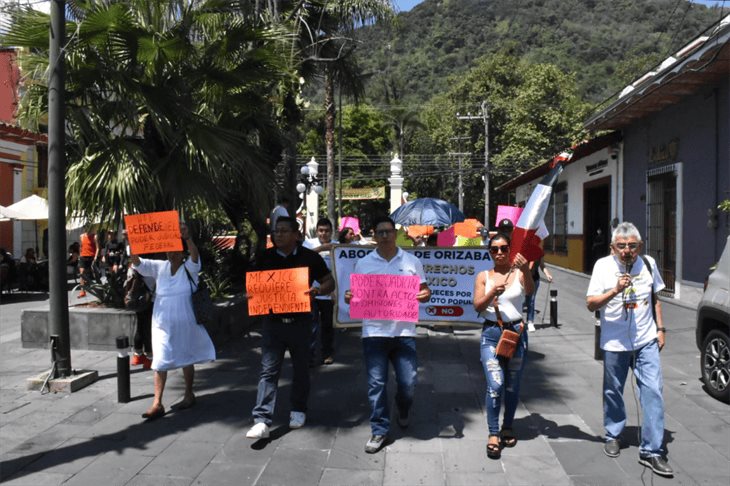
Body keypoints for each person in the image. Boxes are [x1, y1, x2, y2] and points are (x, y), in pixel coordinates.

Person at [586, 222, 672, 477]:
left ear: (639, 247)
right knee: (613, 390)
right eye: (621, 246)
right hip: (614, 341)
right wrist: (615, 290)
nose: (627, 251)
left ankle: (652, 451)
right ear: (613, 248)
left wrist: (661, 329)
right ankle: (613, 433)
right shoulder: (602, 266)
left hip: (646, 339)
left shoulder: (647, 264)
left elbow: (655, 297)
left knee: (653, 392)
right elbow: (591, 304)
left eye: (632, 246)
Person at [344, 216, 431, 454]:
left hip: (404, 332)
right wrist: (350, 298)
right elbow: (354, 296)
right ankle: (379, 429)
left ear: (396, 234)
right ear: (374, 235)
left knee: (408, 383)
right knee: (376, 384)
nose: (384, 236)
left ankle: (403, 407)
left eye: (388, 232)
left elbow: (425, 290)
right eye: (380, 232)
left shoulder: (412, 261)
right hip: (374, 332)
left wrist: (425, 294)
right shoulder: (364, 263)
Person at [245, 216, 334, 440]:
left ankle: (298, 409)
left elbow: (329, 281)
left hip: (301, 323)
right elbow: (253, 284)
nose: (279, 235)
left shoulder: (310, 257)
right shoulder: (264, 257)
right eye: (276, 231)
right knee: (268, 370)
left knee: (301, 368)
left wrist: (319, 291)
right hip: (273, 324)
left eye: (284, 231)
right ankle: (262, 419)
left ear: (296, 234)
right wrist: (251, 294)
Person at [130, 223, 215, 420]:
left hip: (186, 324)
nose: (171, 254)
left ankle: (188, 394)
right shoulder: (160, 268)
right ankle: (157, 402)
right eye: (168, 250)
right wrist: (133, 242)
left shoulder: (189, 269)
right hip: (162, 324)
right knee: (159, 360)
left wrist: (187, 238)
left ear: (181, 250)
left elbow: (195, 255)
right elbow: (138, 263)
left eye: (175, 250)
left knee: (187, 356)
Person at [472, 232, 533, 459]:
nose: (499, 253)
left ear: (510, 250)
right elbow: (478, 306)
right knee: (495, 384)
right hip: (491, 334)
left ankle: (508, 426)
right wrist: (491, 293)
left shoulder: (518, 273)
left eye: (503, 248)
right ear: (489, 252)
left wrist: (526, 269)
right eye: (494, 249)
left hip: (516, 334)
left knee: (512, 386)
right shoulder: (483, 276)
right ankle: (493, 432)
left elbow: (529, 291)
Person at [303, 218, 337, 365]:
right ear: (316, 231)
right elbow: (302, 261)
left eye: (327, 231)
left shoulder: (337, 246)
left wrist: (336, 290)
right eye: (321, 230)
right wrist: (320, 250)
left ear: (331, 232)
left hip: (329, 293)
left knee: (327, 326)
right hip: (311, 292)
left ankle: (327, 353)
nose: (324, 233)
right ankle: (309, 355)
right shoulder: (308, 244)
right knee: (311, 326)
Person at [525, 256, 552, 332]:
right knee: (524, 301)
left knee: (531, 300)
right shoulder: (524, 251)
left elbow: (542, 265)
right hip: (523, 279)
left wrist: (547, 274)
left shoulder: (539, 253)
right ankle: (519, 321)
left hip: (534, 279)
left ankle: (530, 322)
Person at [78, 226, 100, 297]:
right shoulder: (81, 236)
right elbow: (81, 246)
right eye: (86, 228)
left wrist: (96, 257)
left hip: (91, 257)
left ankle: (99, 289)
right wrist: (80, 254)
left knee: (94, 273)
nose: (87, 229)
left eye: (88, 228)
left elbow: (98, 248)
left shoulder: (94, 236)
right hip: (83, 257)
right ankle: (82, 291)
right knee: (82, 273)